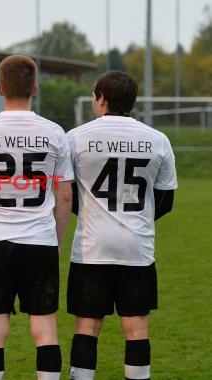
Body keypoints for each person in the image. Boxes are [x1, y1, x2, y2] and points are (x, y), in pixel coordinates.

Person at [0, 55, 74, 380]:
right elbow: (65, 195)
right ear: (35, 88)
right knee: (45, 329)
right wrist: (56, 241)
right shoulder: (54, 133)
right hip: (39, 241)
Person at [66, 71, 177, 380]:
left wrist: (94, 212)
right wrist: (136, 218)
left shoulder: (76, 137)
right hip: (136, 248)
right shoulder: (158, 139)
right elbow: (166, 199)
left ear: (101, 97)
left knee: (87, 326)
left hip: (92, 247)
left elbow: (66, 193)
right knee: (136, 327)